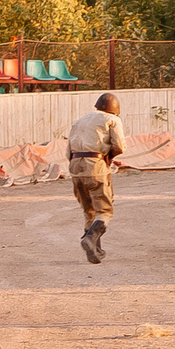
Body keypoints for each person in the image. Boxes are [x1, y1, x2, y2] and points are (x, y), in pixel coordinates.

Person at [66, 92, 127, 264]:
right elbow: (120, 146)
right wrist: (109, 157)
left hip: (75, 165)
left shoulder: (80, 121)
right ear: (115, 109)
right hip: (96, 164)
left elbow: (67, 151)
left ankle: (95, 250)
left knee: (88, 210)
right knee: (105, 210)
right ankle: (91, 239)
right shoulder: (112, 120)